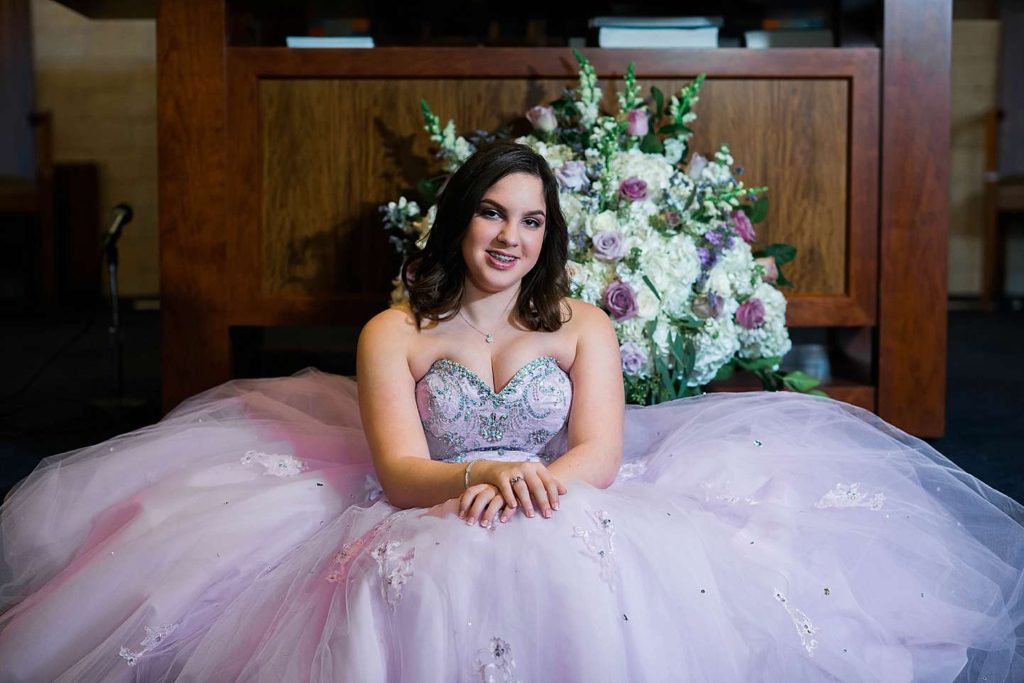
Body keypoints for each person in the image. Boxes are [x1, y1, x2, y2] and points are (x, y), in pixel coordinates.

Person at [0, 141, 1022, 682]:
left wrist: (531, 481)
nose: (511, 235)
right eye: (494, 211)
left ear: (549, 235)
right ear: (460, 220)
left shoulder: (580, 324)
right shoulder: (392, 331)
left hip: (562, 494)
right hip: (435, 500)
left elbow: (602, 451)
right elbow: (400, 470)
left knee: (581, 571)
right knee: (411, 580)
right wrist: (476, 475)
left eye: (532, 219)